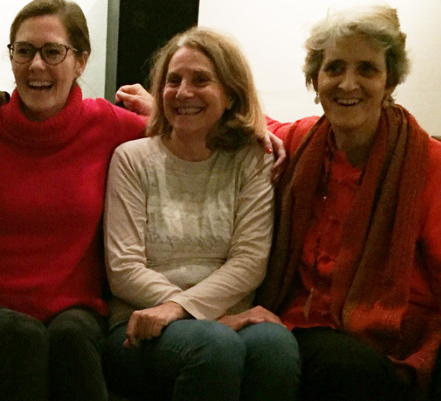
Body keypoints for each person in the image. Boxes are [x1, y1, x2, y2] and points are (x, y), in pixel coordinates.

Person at [253, 5, 441, 401]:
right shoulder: (297, 142)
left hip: (413, 329)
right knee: (349, 370)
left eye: (367, 69)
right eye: (334, 68)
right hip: (313, 323)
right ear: (315, 80)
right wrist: (167, 107)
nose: (348, 84)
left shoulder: (435, 165)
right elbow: (245, 117)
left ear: (389, 81)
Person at [0, 1, 147, 400]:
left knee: (70, 336)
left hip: (77, 309)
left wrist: (261, 133)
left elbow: (199, 126)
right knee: (24, 336)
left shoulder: (106, 124)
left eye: (52, 52)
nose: (36, 65)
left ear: (81, 61)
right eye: (24, 51)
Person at [102, 27, 299, 401]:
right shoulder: (131, 159)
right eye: (173, 80)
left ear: (230, 95)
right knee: (214, 346)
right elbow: (124, 269)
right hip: (141, 322)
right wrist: (198, 315)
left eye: (200, 80)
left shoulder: (253, 160)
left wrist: (183, 309)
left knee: (276, 347)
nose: (183, 92)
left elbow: (249, 262)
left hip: (231, 316)